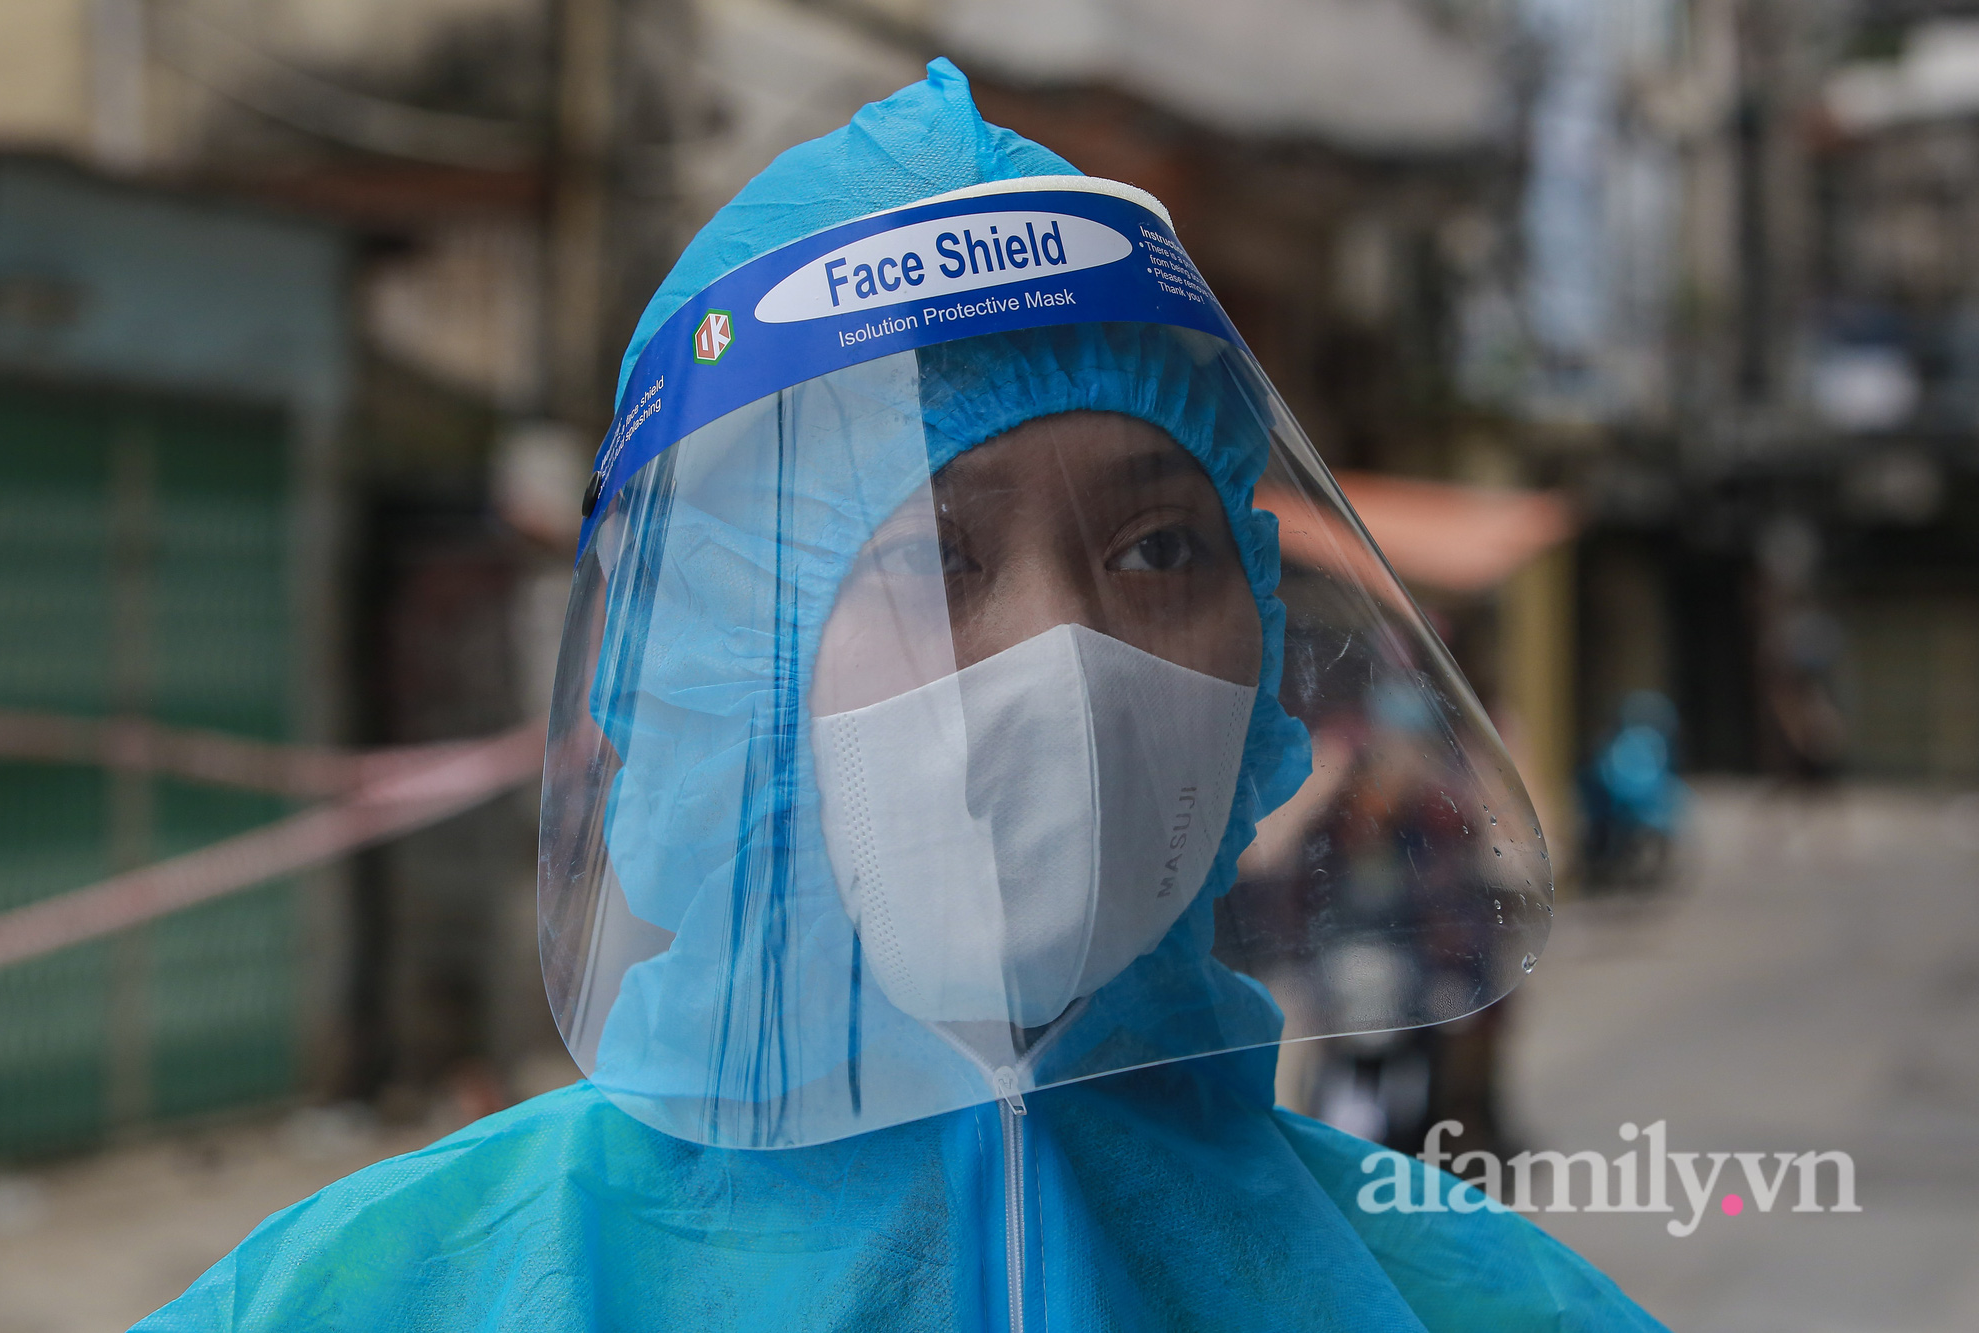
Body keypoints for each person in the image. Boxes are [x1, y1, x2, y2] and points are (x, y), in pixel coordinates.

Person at [138, 61, 1664, 1332]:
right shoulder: (376, 1299)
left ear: (1258, 630)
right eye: (935, 559)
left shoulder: (1473, 1301)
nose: (1066, 657)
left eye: (1156, 544)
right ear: (715, 670)